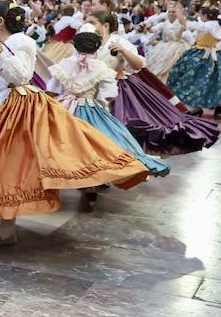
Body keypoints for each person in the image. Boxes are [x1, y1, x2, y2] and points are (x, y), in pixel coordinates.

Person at [0, 0, 148, 246]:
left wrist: (1, 52)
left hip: (9, 111)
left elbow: (20, 76)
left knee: (4, 168)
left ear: (0, 22)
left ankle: (6, 228)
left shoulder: (22, 43)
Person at [47, 31, 168, 211]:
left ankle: (57, 178)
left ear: (74, 45)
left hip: (63, 107)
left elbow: (53, 88)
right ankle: (90, 183)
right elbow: (109, 94)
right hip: (90, 109)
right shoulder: (101, 68)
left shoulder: (64, 64)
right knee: (98, 145)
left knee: (60, 143)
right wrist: (100, 101)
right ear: (97, 48)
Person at [84, 8, 218, 155]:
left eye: (92, 22)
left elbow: (139, 65)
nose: (87, 25)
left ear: (106, 25)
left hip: (116, 90)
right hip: (91, 89)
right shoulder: (87, 42)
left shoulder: (119, 42)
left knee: (121, 127)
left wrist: (124, 51)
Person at [168, 5, 221, 118]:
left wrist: (180, 16)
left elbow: (192, 25)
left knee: (197, 79)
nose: (200, 16)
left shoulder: (211, 24)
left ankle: (198, 107)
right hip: (203, 53)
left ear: (205, 15)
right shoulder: (212, 25)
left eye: (201, 15)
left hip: (206, 56)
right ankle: (210, 105)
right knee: (207, 81)